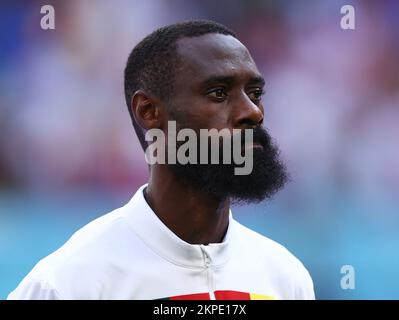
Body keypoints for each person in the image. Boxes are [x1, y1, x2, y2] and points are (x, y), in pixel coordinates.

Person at [8, 20, 314, 300]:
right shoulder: (69, 284)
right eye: (219, 93)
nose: (253, 112)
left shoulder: (285, 278)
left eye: (255, 92)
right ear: (149, 112)